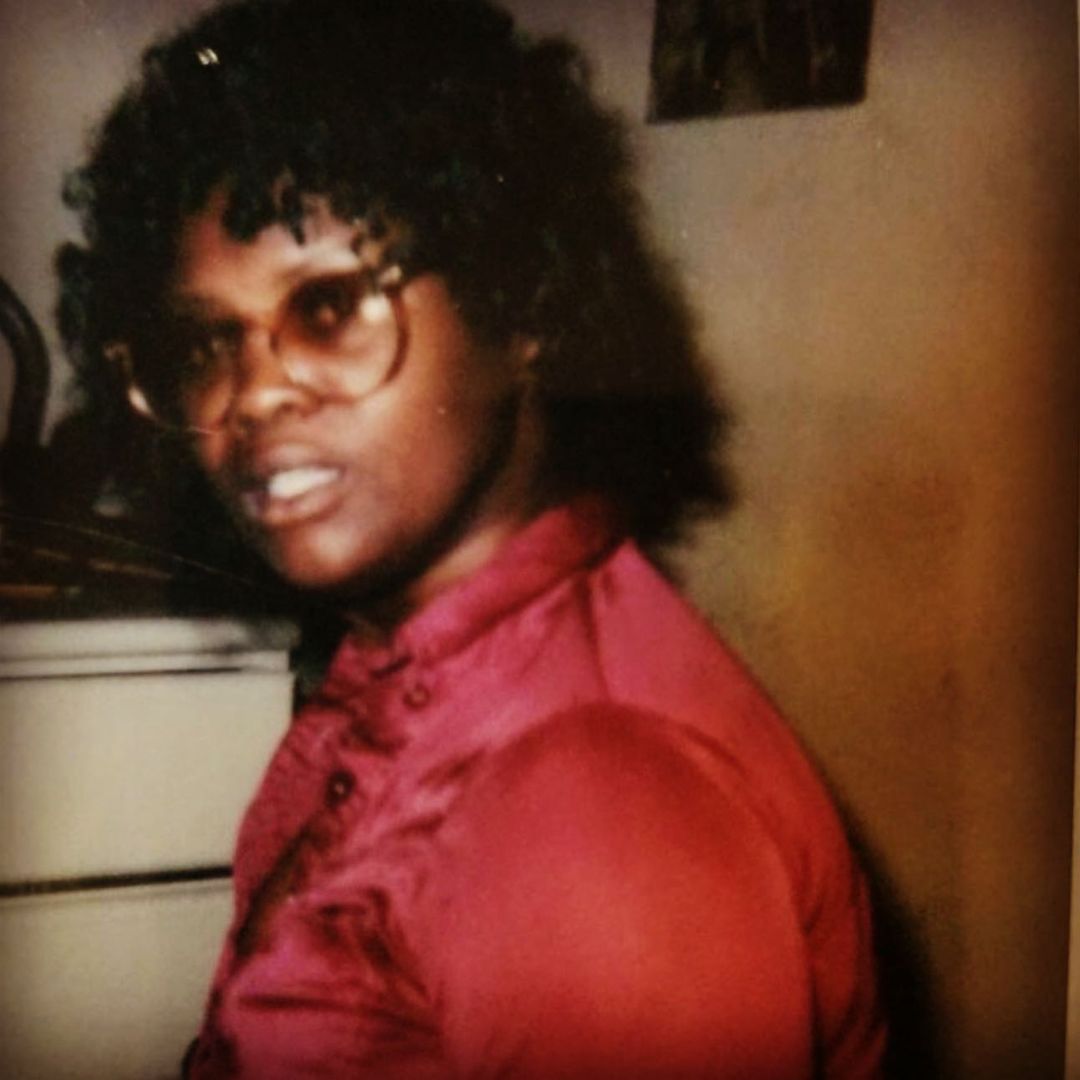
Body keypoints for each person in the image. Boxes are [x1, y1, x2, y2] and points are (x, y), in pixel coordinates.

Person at [57, 0, 885, 1075]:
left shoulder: (591, 805)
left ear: (518, 306)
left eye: (330, 306)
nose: (252, 393)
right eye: (206, 343)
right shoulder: (416, 665)